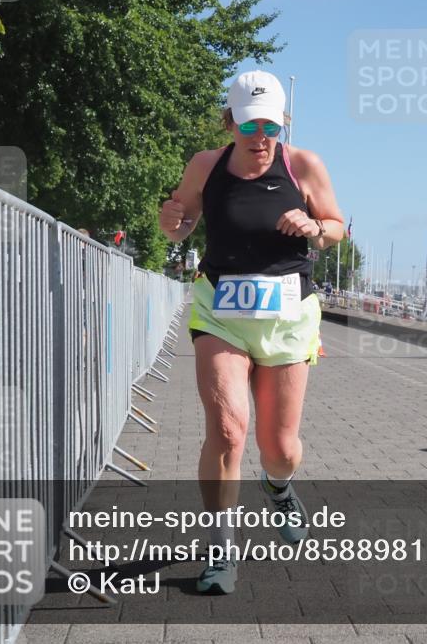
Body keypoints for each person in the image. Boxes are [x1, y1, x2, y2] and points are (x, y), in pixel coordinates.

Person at [159, 70, 344, 593]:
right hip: (220, 311)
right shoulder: (206, 165)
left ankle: (279, 484)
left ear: (282, 123)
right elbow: (179, 222)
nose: (260, 137)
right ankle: (220, 549)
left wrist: (315, 227)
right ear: (230, 123)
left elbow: (335, 224)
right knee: (228, 429)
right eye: (248, 125)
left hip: (288, 318)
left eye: (271, 125)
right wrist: (171, 220)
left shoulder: (302, 164)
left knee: (279, 447)